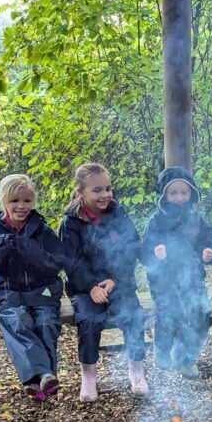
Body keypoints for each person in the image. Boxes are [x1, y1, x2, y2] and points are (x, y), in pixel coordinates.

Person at [59, 163, 149, 402]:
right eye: (97, 190)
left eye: (108, 188)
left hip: (119, 283)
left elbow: (131, 249)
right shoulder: (71, 221)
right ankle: (88, 376)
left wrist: (115, 280)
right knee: (89, 320)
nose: (105, 195)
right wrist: (90, 286)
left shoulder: (119, 214)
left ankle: (136, 370)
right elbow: (70, 260)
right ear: (81, 192)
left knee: (133, 316)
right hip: (85, 288)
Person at [0, 174, 65, 401]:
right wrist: (2, 245)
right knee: (17, 321)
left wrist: (28, 248)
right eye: (15, 201)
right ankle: (44, 376)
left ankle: (35, 383)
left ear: (33, 202)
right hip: (11, 294)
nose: (21, 206)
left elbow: (56, 264)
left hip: (43, 292)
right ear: (4, 201)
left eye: (27, 201)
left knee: (47, 323)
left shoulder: (42, 229)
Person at [139, 167, 212, 380]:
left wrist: (209, 253)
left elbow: (211, 244)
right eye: (173, 193)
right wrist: (154, 253)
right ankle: (162, 349)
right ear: (164, 196)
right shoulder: (156, 221)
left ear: (191, 194)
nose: (179, 198)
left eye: (184, 193)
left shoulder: (197, 220)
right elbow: (143, 254)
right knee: (171, 314)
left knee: (204, 315)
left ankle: (186, 358)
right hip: (163, 281)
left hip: (193, 278)